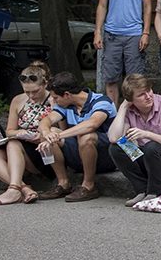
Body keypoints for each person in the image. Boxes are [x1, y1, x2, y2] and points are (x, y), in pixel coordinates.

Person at [107, 74, 161, 207]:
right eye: (141, 95)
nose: (148, 96)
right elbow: (114, 138)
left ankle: (155, 192)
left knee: (151, 146)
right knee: (117, 148)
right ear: (131, 100)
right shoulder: (129, 109)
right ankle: (141, 190)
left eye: (149, 90)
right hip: (149, 160)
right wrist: (123, 108)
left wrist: (147, 134)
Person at [35, 72, 118, 202]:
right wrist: (46, 133)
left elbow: (92, 124)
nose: (54, 101)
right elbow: (46, 120)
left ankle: (89, 186)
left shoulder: (102, 101)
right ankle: (63, 183)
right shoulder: (66, 105)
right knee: (48, 134)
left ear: (67, 95)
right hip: (79, 154)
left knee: (86, 136)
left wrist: (58, 135)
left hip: (107, 156)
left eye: (56, 98)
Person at [94, 0, 155, 105]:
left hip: (134, 35)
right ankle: (113, 117)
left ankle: (133, 116)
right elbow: (102, 6)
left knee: (135, 81)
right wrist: (98, 32)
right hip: (112, 34)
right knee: (111, 79)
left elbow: (148, 7)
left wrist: (146, 32)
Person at [0, 62, 53, 205]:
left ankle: (14, 189)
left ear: (45, 84)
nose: (31, 96)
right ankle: (24, 188)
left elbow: (62, 131)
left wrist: (41, 135)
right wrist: (20, 132)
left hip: (45, 152)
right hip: (22, 147)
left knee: (13, 143)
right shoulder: (18, 100)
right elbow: (10, 131)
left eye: (35, 91)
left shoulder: (54, 100)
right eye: (27, 92)